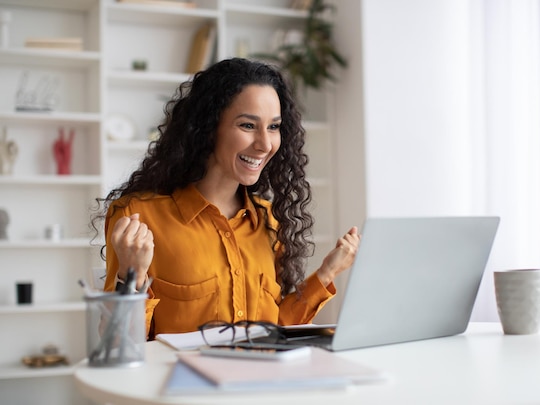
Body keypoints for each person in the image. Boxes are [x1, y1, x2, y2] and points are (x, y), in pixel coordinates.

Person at [92, 58, 360, 340]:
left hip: (262, 380)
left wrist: (328, 272)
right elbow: (118, 342)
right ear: (208, 128)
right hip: (184, 382)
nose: (265, 144)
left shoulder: (269, 221)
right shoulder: (138, 216)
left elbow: (275, 327)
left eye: (273, 127)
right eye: (247, 125)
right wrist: (129, 275)